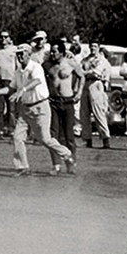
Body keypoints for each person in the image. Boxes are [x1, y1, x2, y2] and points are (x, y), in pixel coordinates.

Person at [0, 43, 74, 177]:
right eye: (18, 54)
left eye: (22, 53)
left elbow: (37, 81)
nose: (20, 56)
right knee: (17, 137)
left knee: (45, 139)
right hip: (25, 108)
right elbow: (11, 88)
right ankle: (23, 167)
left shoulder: (36, 67)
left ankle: (67, 154)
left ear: (28, 54)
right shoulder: (18, 71)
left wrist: (22, 90)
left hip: (40, 107)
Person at [46, 39, 83, 167]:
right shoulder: (46, 65)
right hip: (53, 102)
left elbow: (81, 76)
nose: (52, 54)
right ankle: (56, 164)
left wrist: (78, 93)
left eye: (54, 52)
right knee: (53, 135)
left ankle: (71, 163)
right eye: (51, 51)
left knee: (69, 136)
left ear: (61, 52)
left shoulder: (70, 63)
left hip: (67, 102)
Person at [80, 42, 111, 149]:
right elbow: (79, 71)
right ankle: (87, 139)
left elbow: (96, 72)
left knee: (98, 112)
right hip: (86, 84)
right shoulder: (86, 59)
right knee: (84, 114)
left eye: (95, 46)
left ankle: (105, 138)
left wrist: (85, 72)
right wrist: (86, 72)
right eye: (91, 46)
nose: (92, 48)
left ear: (98, 47)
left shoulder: (102, 60)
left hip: (96, 84)